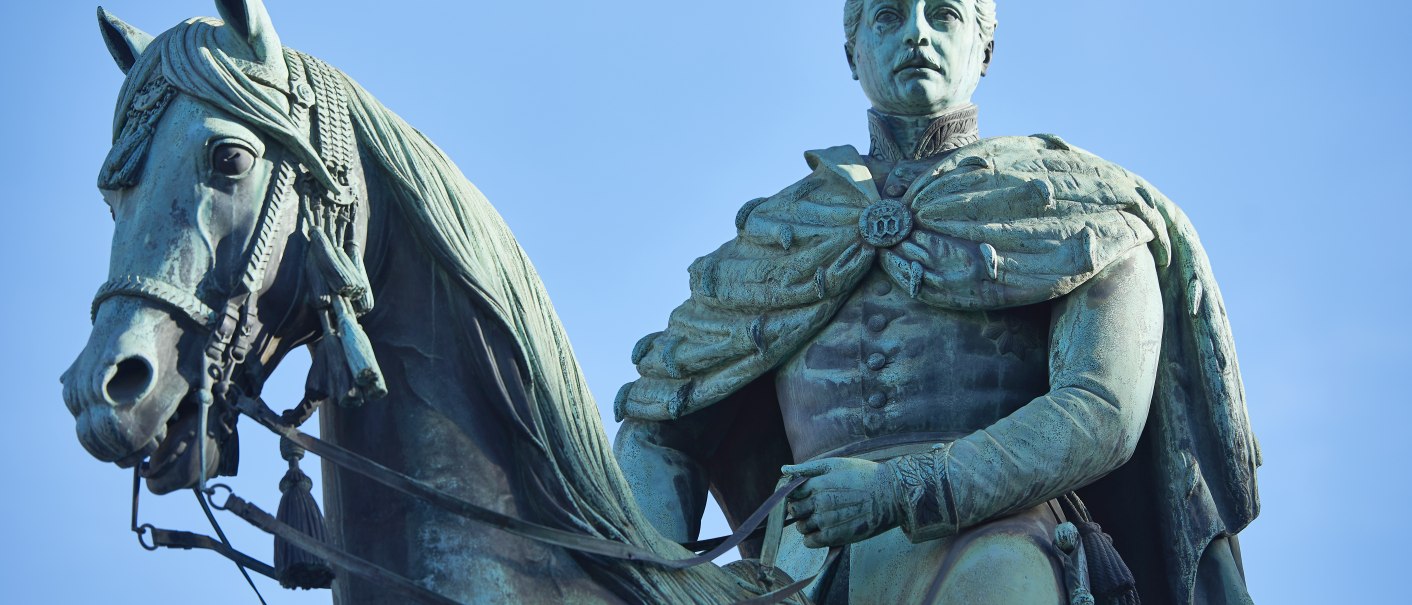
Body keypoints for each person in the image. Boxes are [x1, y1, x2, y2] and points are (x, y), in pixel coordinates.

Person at [613, 1, 1259, 603]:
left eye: (943, 12)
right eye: (889, 15)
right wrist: (656, 582)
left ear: (985, 45)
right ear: (852, 51)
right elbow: (658, 427)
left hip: (1001, 546)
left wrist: (901, 490)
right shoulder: (783, 234)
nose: (916, 31)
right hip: (801, 574)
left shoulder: (1075, 207)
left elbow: (1101, 410)